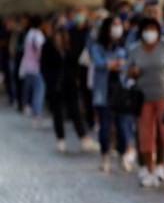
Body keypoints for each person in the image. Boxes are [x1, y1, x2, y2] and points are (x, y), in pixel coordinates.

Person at [127, 17, 164, 187]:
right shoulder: (135, 49)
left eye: (153, 29)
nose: (149, 33)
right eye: (146, 29)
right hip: (144, 97)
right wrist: (133, 72)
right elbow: (128, 71)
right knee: (146, 135)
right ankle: (149, 171)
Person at [41, 22, 100, 155]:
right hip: (55, 84)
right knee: (58, 113)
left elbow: (75, 64)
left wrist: (76, 78)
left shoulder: (69, 47)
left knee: (75, 111)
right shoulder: (48, 46)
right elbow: (44, 66)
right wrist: (50, 81)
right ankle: (61, 139)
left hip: (69, 84)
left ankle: (83, 137)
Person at [91, 16, 136, 173]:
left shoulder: (124, 45)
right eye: (114, 25)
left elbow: (126, 63)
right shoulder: (98, 46)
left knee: (123, 126)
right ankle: (105, 157)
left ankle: (123, 154)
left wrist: (113, 64)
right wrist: (113, 63)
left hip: (121, 91)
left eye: (119, 24)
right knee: (104, 126)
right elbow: (100, 62)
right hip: (103, 92)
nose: (117, 27)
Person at [19, 14, 46, 126]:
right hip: (36, 67)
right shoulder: (38, 36)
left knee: (32, 90)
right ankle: (36, 114)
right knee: (38, 91)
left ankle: (30, 108)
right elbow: (40, 52)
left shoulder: (29, 34)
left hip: (29, 66)